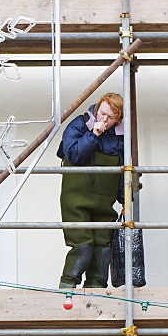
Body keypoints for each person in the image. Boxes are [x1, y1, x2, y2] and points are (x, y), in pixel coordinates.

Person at [57, 92, 123, 289]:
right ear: (97, 109)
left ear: (118, 118)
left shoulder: (121, 136)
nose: (105, 119)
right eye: (103, 113)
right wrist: (94, 134)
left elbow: (123, 171)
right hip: (76, 198)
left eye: (111, 117)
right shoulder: (79, 124)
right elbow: (73, 155)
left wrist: (125, 201)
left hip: (105, 200)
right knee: (83, 245)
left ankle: (97, 290)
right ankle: (68, 286)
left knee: (103, 247)